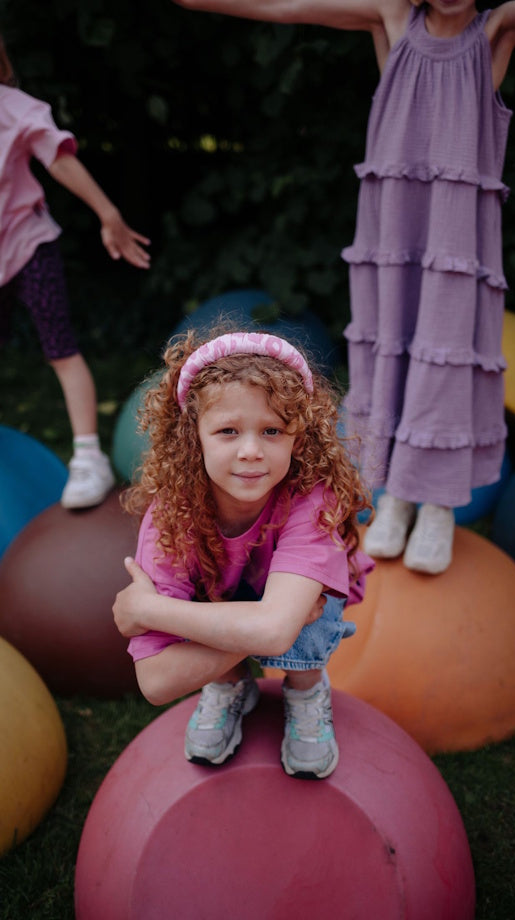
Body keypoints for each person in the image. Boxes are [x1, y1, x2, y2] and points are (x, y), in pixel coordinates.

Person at [130, 0, 515, 572]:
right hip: (391, 235)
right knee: (389, 355)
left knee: (445, 359)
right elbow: (289, 2)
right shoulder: (392, 16)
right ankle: (394, 496)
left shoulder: (496, 30)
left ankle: (434, 505)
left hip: (456, 238)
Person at [0, 0, 151, 508]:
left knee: (60, 349)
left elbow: (59, 158)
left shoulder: (8, 106)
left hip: (27, 242)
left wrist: (108, 212)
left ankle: (88, 455)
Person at [112, 329, 372, 779]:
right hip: (237, 599)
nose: (251, 451)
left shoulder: (312, 499)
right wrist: (262, 625)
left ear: (299, 437)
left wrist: (150, 609)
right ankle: (228, 686)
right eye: (228, 431)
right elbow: (155, 682)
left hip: (298, 606)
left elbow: (274, 632)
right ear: (194, 436)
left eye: (272, 431)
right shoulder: (173, 516)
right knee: (262, 610)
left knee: (314, 608)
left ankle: (306, 689)